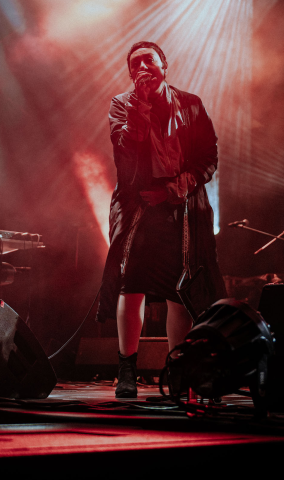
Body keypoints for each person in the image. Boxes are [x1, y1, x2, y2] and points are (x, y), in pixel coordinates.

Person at [97, 41, 226, 398]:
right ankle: (126, 369)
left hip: (179, 203)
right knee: (131, 282)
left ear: (164, 65)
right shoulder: (122, 105)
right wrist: (140, 107)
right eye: (135, 63)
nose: (142, 67)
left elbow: (208, 156)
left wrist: (173, 189)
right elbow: (124, 152)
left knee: (178, 289)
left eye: (148, 60)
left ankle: (179, 368)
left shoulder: (191, 104)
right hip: (137, 201)